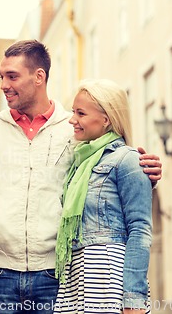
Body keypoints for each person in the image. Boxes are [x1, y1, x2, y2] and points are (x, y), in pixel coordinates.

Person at [0, 40, 161, 314]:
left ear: (39, 77)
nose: (3, 85)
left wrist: (147, 172)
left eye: (12, 76)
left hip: (56, 273)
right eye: (2, 77)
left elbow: (107, 165)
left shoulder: (73, 129)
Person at [53, 78, 152, 314]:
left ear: (106, 119)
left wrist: (133, 300)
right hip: (76, 276)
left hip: (108, 278)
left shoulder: (127, 160)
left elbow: (140, 230)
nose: (72, 120)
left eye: (81, 113)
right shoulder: (80, 163)